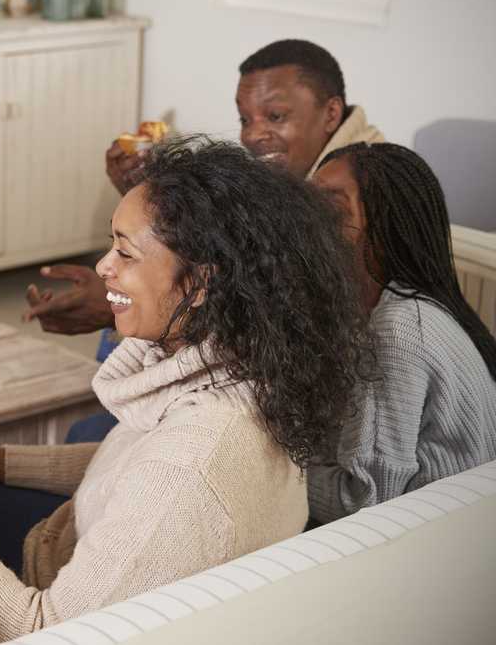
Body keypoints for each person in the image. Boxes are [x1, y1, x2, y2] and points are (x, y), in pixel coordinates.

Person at [0, 137, 374, 643]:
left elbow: (34, 630)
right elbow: (136, 467)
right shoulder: (239, 362)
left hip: (32, 616)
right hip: (59, 547)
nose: (104, 267)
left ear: (201, 283)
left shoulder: (196, 458)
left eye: (126, 253)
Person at [33, 39, 386, 440]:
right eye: (245, 120)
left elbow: (285, 308)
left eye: (275, 116)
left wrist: (124, 303)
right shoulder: (292, 177)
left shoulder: (353, 187)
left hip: (267, 388)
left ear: (332, 112)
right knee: (94, 421)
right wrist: (143, 199)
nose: (255, 136)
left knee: (93, 426)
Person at [308, 143, 496, 522]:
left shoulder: (398, 331)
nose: (305, 223)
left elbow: (362, 502)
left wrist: (278, 478)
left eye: (328, 208)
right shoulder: (393, 310)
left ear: (382, 227)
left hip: (431, 548)